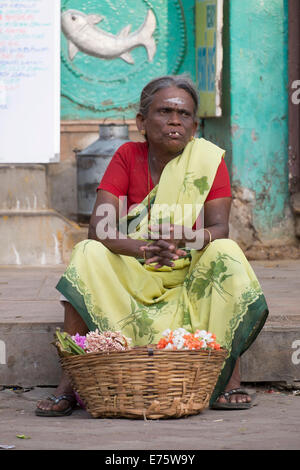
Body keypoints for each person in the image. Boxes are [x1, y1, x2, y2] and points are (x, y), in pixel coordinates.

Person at [36, 75, 268, 416]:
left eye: (184, 114)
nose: (175, 120)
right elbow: (99, 228)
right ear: (142, 122)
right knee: (87, 253)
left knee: (227, 253)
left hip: (187, 271)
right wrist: (145, 248)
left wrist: (183, 241)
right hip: (135, 269)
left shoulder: (207, 160)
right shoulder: (127, 156)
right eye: (164, 112)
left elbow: (219, 228)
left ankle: (227, 377)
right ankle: (69, 381)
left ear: (194, 124)